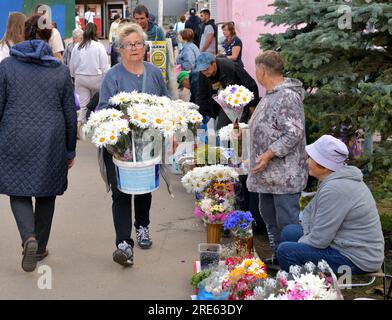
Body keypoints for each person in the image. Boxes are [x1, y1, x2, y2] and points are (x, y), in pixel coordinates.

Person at [0, 14, 77, 272]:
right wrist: (70, 149)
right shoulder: (61, 70)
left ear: (24, 34)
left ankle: (28, 238)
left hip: (14, 136)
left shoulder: (7, 67)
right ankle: (40, 246)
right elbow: (70, 115)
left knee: (18, 190)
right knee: (46, 192)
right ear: (49, 36)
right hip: (51, 140)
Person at [97, 23, 169, 267]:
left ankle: (143, 228)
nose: (135, 48)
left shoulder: (154, 72)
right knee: (120, 193)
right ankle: (123, 244)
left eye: (139, 43)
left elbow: (166, 103)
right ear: (120, 49)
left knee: (143, 189)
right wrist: (123, 118)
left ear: (145, 46)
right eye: (129, 45)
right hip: (118, 146)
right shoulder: (113, 76)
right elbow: (102, 109)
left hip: (147, 144)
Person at [276, 135, 385, 274]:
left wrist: (300, 242)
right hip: (341, 242)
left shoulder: (336, 188)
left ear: (324, 165)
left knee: (286, 252)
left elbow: (319, 240)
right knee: (289, 231)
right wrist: (304, 238)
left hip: (356, 258)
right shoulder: (333, 178)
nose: (307, 161)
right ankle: (304, 280)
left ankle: (305, 290)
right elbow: (310, 213)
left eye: (312, 158)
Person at [246, 51, 308, 258]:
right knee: (269, 218)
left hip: (284, 177)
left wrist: (268, 154)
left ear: (262, 71)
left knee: (287, 224)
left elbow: (294, 133)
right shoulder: (272, 94)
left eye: (256, 69)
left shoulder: (287, 96)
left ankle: (292, 262)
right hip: (268, 176)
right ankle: (277, 255)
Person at [195, 52, 259, 130]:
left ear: (214, 63)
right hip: (222, 106)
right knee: (221, 131)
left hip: (239, 103)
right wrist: (199, 116)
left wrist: (252, 106)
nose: (204, 72)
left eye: (206, 69)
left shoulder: (230, 67)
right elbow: (201, 95)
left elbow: (250, 84)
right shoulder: (203, 75)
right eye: (202, 70)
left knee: (239, 131)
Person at [69, 22, 109, 127]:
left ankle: (81, 127)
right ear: (95, 32)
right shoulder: (99, 46)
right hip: (96, 78)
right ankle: (97, 125)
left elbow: (72, 64)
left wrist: (73, 77)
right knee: (97, 104)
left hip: (80, 78)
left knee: (83, 106)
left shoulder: (77, 46)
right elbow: (104, 66)